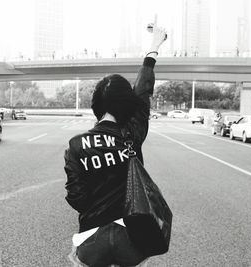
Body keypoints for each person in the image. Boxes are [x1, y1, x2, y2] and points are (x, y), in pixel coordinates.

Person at [64, 24, 167, 267]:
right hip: (131, 238)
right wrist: (154, 47)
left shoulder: (76, 145)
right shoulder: (133, 133)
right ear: (127, 104)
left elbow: (76, 197)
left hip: (92, 240)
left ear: (96, 105)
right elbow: (143, 91)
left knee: (77, 258)